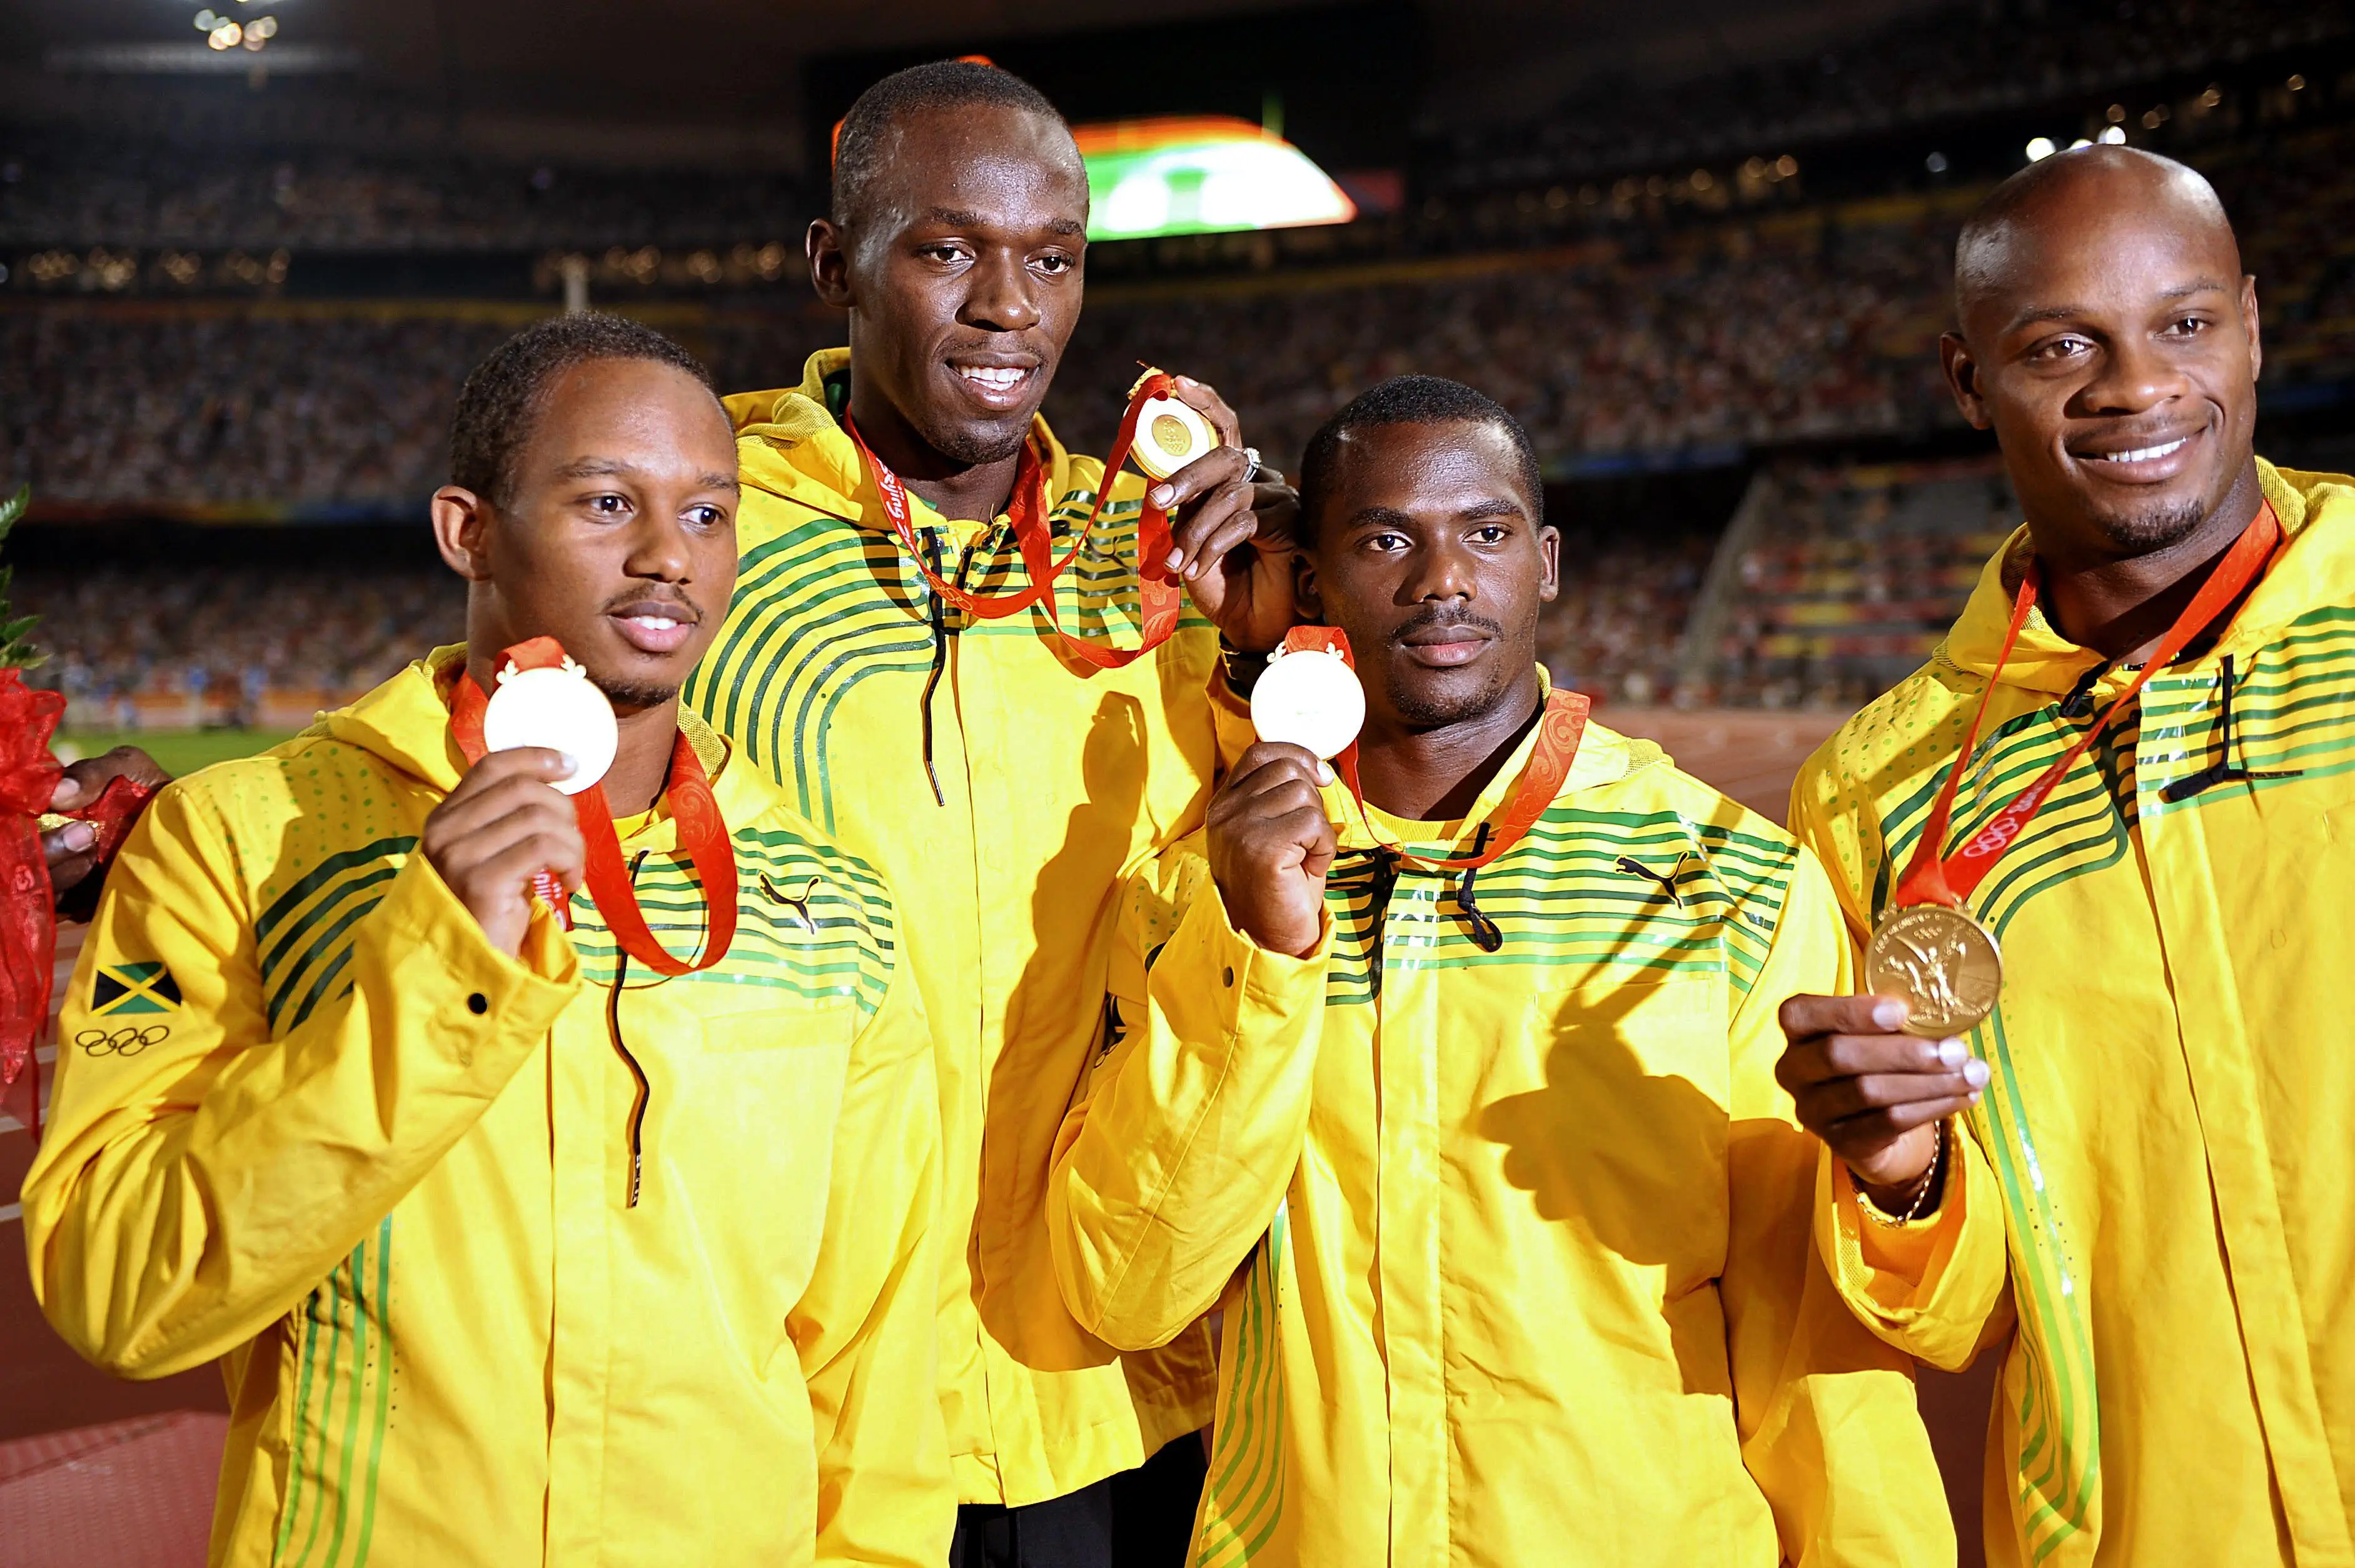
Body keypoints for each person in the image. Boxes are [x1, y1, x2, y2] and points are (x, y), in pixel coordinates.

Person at [20, 314, 951, 1567]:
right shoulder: (238, 846)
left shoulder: (830, 902)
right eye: (608, 503)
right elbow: (123, 1294)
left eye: (707, 515)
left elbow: (873, 1375)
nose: (669, 558)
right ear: (469, 531)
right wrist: (439, 960)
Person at [1044, 376, 1953, 1565]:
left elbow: (1810, 1351)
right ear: (1309, 583)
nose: (1442, 581)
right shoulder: (1199, 897)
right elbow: (1127, 1289)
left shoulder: (1729, 882)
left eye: (1486, 532)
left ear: (1548, 562)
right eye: (1384, 540)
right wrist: (1262, 955)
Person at [687, 61, 1291, 1564]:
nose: (1008, 306)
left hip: (1108, 1368)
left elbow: (1272, 885)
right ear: (835, 263)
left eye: (1053, 259)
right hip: (821, 1373)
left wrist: (1267, 642)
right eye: (945, 249)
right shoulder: (707, 546)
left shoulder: (1146, 556)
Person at [1775, 145, 2355, 1567]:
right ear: (1968, 383)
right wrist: (1897, 1175)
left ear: (2253, 326)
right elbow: (1955, 1304)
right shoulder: (1877, 798)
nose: (2134, 386)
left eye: (2183, 323)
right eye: (2057, 347)